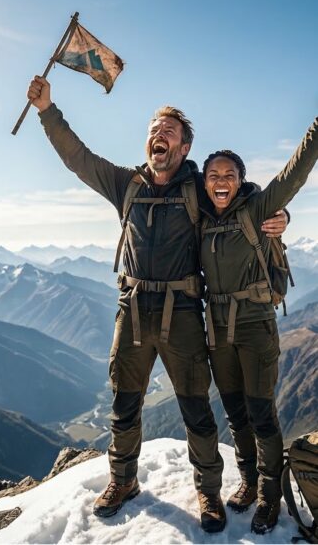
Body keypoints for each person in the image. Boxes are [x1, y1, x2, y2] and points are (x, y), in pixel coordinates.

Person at [25, 76, 288, 532]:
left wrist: (279, 216)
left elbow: (238, 196)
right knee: (124, 403)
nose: (158, 135)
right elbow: (78, 158)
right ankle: (122, 481)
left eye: (169, 131)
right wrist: (49, 111)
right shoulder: (126, 184)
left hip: (183, 312)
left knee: (195, 408)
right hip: (131, 309)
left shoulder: (197, 188)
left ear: (184, 147)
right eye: (154, 128)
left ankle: (208, 493)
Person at [199, 117, 317, 534]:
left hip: (254, 327)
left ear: (241, 181)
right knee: (235, 412)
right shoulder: (199, 218)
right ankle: (248, 481)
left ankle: (269, 493)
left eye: (229, 175)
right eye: (213, 175)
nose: (220, 181)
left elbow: (294, 173)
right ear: (204, 181)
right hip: (217, 330)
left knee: (262, 414)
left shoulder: (256, 209)